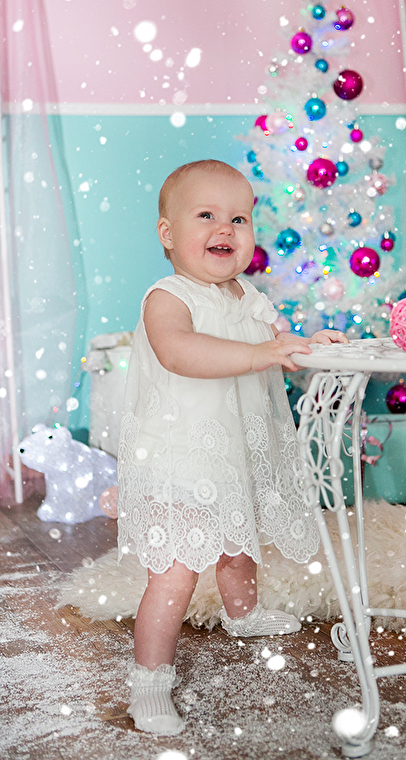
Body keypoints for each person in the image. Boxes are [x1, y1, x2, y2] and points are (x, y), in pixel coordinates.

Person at [117, 159, 348, 735]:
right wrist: (257, 355)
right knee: (175, 574)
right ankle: (149, 682)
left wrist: (304, 344)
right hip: (179, 455)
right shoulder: (168, 297)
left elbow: (270, 344)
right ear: (168, 234)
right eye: (206, 216)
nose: (225, 228)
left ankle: (242, 614)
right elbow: (180, 352)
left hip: (234, 448)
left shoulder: (247, 295)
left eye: (239, 219)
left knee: (238, 541)